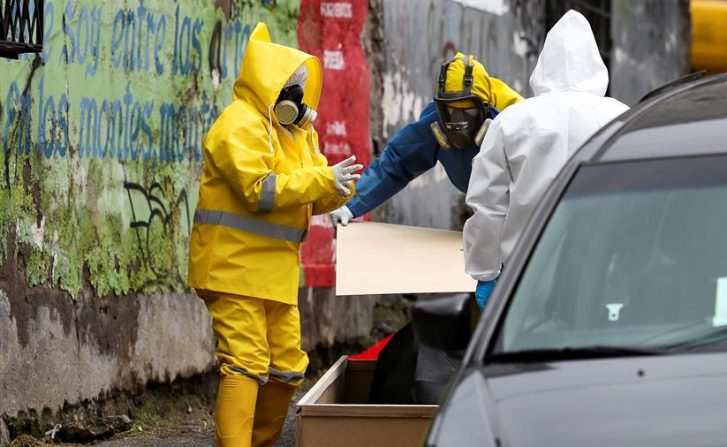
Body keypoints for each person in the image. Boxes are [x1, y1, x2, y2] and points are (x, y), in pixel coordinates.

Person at [188, 23, 361, 447]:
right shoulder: (238, 125)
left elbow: (308, 193)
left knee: (287, 365)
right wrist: (322, 183)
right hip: (232, 268)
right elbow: (261, 191)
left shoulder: (297, 134)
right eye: (291, 87)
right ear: (269, 84)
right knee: (245, 362)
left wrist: (337, 191)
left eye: (301, 89)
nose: (298, 99)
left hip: (275, 274)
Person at [464, 10, 629, 309]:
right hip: (606, 279)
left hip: (525, 283)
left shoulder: (512, 120)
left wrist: (485, 272)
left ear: (543, 64)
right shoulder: (622, 118)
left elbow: (487, 204)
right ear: (595, 64)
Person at [329, 52, 523, 226]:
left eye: (467, 112)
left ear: (484, 108)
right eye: (450, 111)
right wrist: (351, 206)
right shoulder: (436, 121)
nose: (457, 123)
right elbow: (397, 162)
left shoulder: (516, 123)